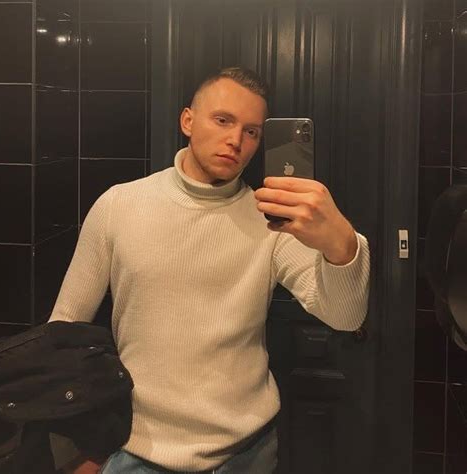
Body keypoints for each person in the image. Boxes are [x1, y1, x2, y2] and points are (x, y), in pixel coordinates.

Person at [48, 66, 370, 474]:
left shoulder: (271, 221)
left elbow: (346, 316)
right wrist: (74, 452)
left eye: (252, 131)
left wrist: (341, 245)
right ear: (188, 121)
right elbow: (63, 331)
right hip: (135, 450)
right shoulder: (119, 206)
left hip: (247, 453)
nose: (236, 140)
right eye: (223, 120)